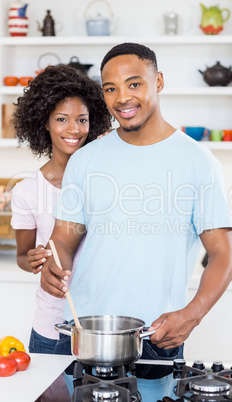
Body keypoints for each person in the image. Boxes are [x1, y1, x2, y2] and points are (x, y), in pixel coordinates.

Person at [41, 43, 232, 360]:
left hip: (156, 335)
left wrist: (193, 313)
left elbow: (223, 253)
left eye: (134, 84)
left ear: (158, 81)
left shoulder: (198, 162)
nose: (122, 98)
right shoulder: (85, 160)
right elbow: (63, 240)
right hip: (84, 331)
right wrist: (54, 264)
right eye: (110, 88)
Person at [11, 64, 111, 354]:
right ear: (45, 122)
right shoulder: (28, 191)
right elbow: (21, 255)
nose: (74, 129)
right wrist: (31, 260)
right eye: (62, 119)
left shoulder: (106, 180)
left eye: (82, 119)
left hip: (102, 326)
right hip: (51, 328)